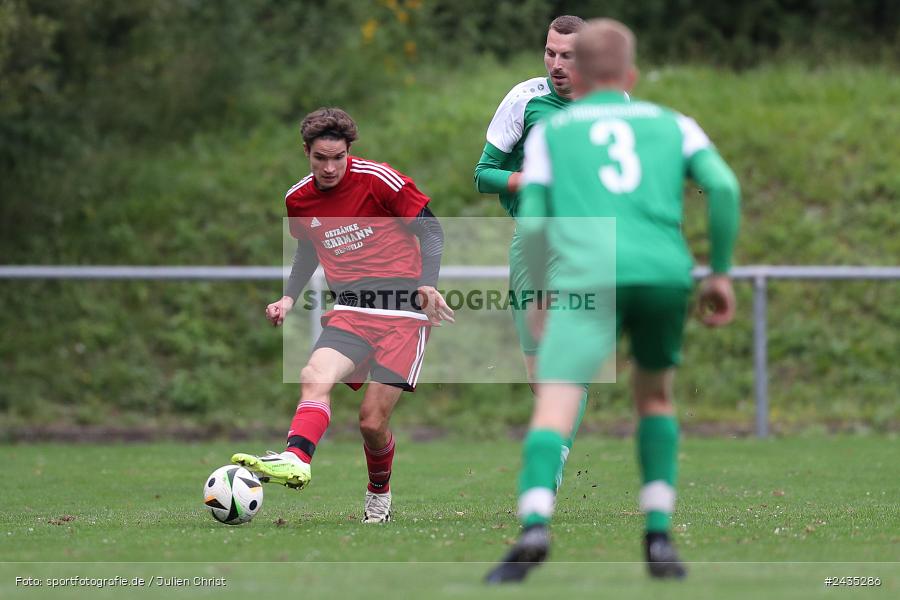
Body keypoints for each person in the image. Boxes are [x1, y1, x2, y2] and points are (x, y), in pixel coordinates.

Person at [486, 19, 741, 583]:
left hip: (584, 269)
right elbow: (722, 188)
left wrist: (540, 289)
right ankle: (657, 535)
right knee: (654, 398)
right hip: (662, 271)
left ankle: (534, 524)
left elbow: (532, 215)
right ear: (630, 75)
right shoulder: (671, 123)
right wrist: (719, 273)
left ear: (578, 70)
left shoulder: (557, 132)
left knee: (555, 394)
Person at [232, 108, 454, 523]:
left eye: (338, 157)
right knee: (313, 375)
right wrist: (288, 297)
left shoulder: (378, 180)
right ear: (306, 153)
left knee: (371, 423)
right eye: (320, 158)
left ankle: (378, 496)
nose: (330, 167)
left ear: (349, 150)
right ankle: (297, 458)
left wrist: (428, 283)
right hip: (351, 310)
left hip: (404, 313)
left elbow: (431, 229)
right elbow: (307, 249)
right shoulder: (298, 198)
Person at [474, 15, 586, 491]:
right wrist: (529, 180)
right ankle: (554, 441)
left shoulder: (612, 103)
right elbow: (484, 174)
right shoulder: (525, 99)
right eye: (550, 53)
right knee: (541, 376)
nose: (557, 64)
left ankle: (553, 459)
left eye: (569, 56)